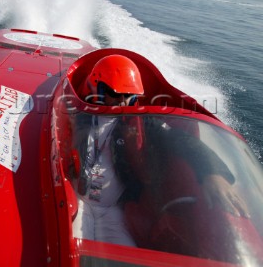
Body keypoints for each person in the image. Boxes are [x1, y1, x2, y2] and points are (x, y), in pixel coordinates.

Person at [71, 54, 248, 247]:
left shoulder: (140, 122)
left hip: (113, 208)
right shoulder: (77, 114)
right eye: (114, 93)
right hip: (79, 202)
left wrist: (213, 172)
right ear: (97, 88)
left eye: (128, 96)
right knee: (72, 248)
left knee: (123, 258)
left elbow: (181, 139)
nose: (122, 102)